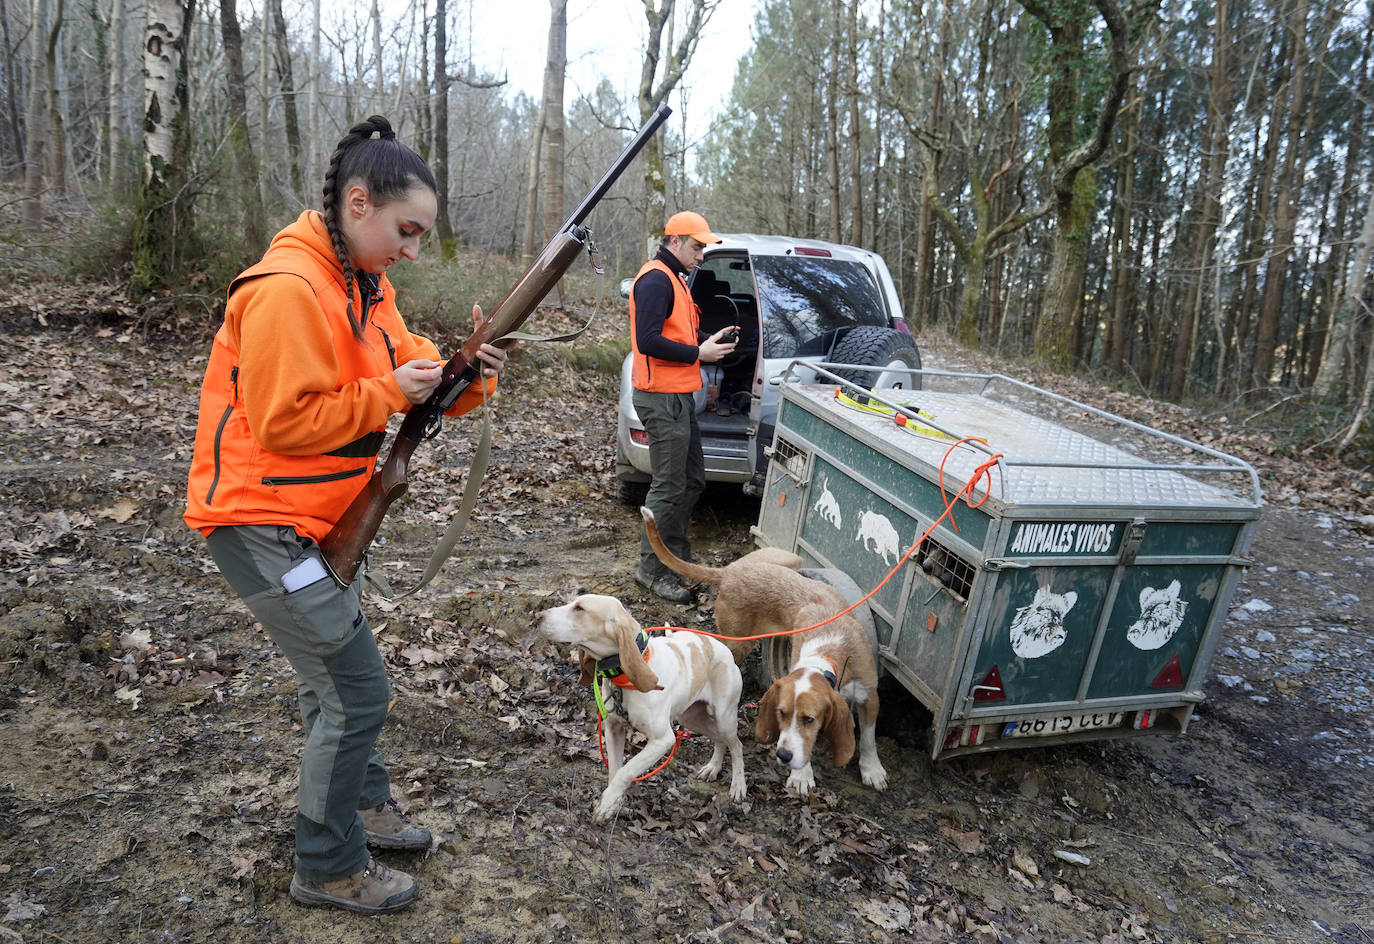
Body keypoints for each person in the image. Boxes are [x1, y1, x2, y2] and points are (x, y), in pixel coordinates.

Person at [184, 115, 507, 915]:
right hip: (259, 523)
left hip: (319, 523)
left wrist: (466, 374)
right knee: (355, 691)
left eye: (421, 236)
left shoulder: (365, 285)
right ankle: (326, 863)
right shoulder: (288, 291)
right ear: (357, 203)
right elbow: (285, 420)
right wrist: (390, 395)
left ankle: (359, 808)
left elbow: (411, 367)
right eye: (406, 231)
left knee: (332, 680)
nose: (411, 250)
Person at [629, 210, 738, 603]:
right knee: (669, 486)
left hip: (677, 399)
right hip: (661, 399)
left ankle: (673, 557)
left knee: (691, 482)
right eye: (697, 247)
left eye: (704, 248)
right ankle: (651, 570)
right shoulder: (657, 278)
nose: (701, 255)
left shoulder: (675, 279)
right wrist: (699, 352)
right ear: (674, 241)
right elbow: (647, 340)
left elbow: (677, 333)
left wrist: (710, 338)